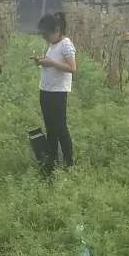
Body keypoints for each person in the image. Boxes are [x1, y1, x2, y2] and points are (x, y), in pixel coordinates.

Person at [31, 11, 76, 173]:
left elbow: (72, 68)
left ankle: (69, 162)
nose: (45, 38)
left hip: (58, 92)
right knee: (50, 127)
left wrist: (51, 62)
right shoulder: (52, 45)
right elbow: (52, 64)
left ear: (56, 31)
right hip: (46, 90)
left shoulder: (66, 44)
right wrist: (42, 62)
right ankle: (52, 160)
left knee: (60, 128)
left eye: (46, 35)